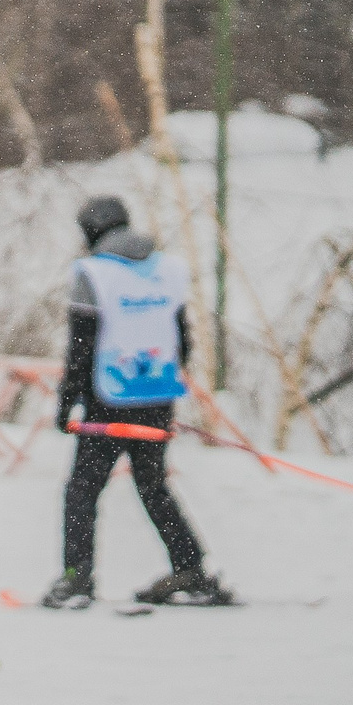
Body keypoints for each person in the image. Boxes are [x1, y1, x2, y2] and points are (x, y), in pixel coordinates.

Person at [43, 196, 226, 608]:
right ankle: (191, 568)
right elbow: (182, 338)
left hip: (109, 397)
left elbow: (80, 344)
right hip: (158, 394)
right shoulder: (169, 269)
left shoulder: (93, 273)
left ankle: (76, 579)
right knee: (152, 485)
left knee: (82, 491)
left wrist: (67, 401)